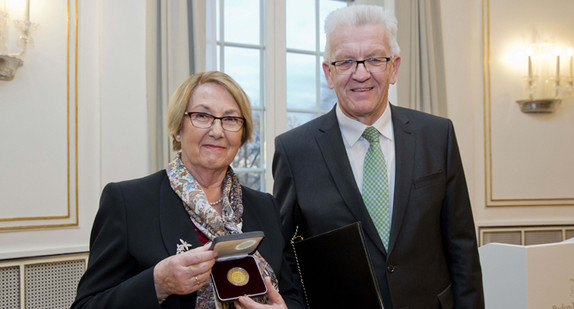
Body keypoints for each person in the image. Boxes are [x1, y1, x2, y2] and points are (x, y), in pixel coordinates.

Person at [272, 5, 484, 309]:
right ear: (328, 73)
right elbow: (283, 254)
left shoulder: (438, 137)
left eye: (374, 59)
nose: (361, 74)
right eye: (346, 61)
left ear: (394, 67)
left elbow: (462, 247)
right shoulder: (294, 150)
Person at [72, 71, 303, 309]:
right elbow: (86, 305)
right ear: (177, 129)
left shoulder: (265, 206)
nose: (217, 131)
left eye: (231, 119)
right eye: (202, 116)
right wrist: (158, 284)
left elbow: (292, 295)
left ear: (242, 134)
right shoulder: (128, 203)